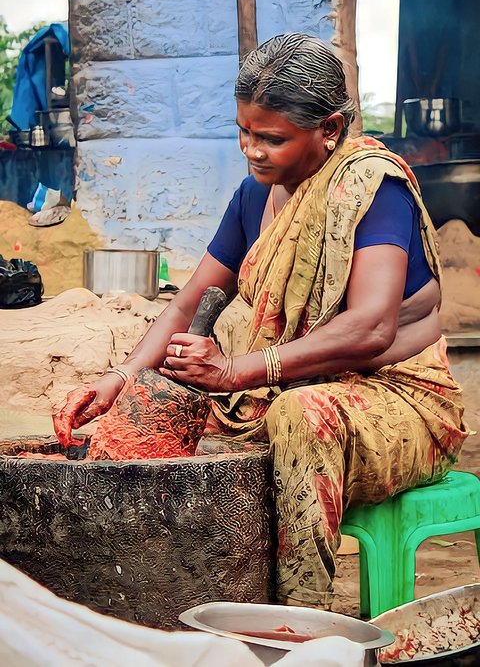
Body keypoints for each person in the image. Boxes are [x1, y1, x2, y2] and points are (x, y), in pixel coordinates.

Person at [55, 33, 468, 609]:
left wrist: (238, 372)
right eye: (244, 132)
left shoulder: (373, 190)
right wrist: (119, 380)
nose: (252, 150)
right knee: (171, 425)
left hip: (398, 398)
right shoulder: (255, 196)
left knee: (300, 414)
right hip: (282, 389)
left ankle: (298, 625)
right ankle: (195, 612)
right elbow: (185, 303)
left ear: (330, 127)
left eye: (272, 138)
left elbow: (371, 327)